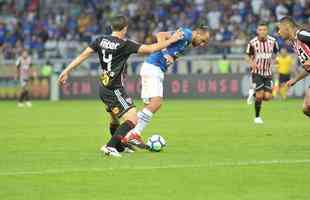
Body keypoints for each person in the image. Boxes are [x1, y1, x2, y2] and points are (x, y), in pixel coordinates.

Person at [57, 15, 183, 157]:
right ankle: (110, 146)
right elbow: (151, 48)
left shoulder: (100, 40)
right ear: (125, 28)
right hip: (115, 88)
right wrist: (172, 39)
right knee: (133, 119)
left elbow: (82, 56)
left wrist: (66, 71)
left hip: (104, 86)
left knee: (115, 118)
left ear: (112, 27)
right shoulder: (124, 44)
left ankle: (120, 146)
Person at [124, 25, 210, 143]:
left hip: (154, 68)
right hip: (153, 67)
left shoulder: (187, 43)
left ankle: (131, 135)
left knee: (149, 105)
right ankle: (128, 134)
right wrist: (165, 54)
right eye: (203, 40)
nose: (202, 44)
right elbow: (160, 35)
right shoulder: (187, 34)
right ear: (198, 34)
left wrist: (170, 57)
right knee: (156, 103)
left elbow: (172, 51)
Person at [245, 22, 279, 124]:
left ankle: (253, 93)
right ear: (257, 31)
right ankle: (257, 117)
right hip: (257, 72)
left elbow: (276, 53)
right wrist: (252, 63)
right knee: (260, 96)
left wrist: (275, 62)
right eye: (260, 30)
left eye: (264, 30)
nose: (262, 32)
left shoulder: (273, 41)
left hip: (268, 73)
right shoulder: (252, 43)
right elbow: (247, 56)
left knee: (268, 97)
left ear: (267, 31)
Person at [277, 16, 310, 117]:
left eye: (279, 28)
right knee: (306, 108)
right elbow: (308, 67)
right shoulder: (294, 43)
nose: (278, 32)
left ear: (287, 27)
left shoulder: (301, 34)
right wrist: (295, 79)